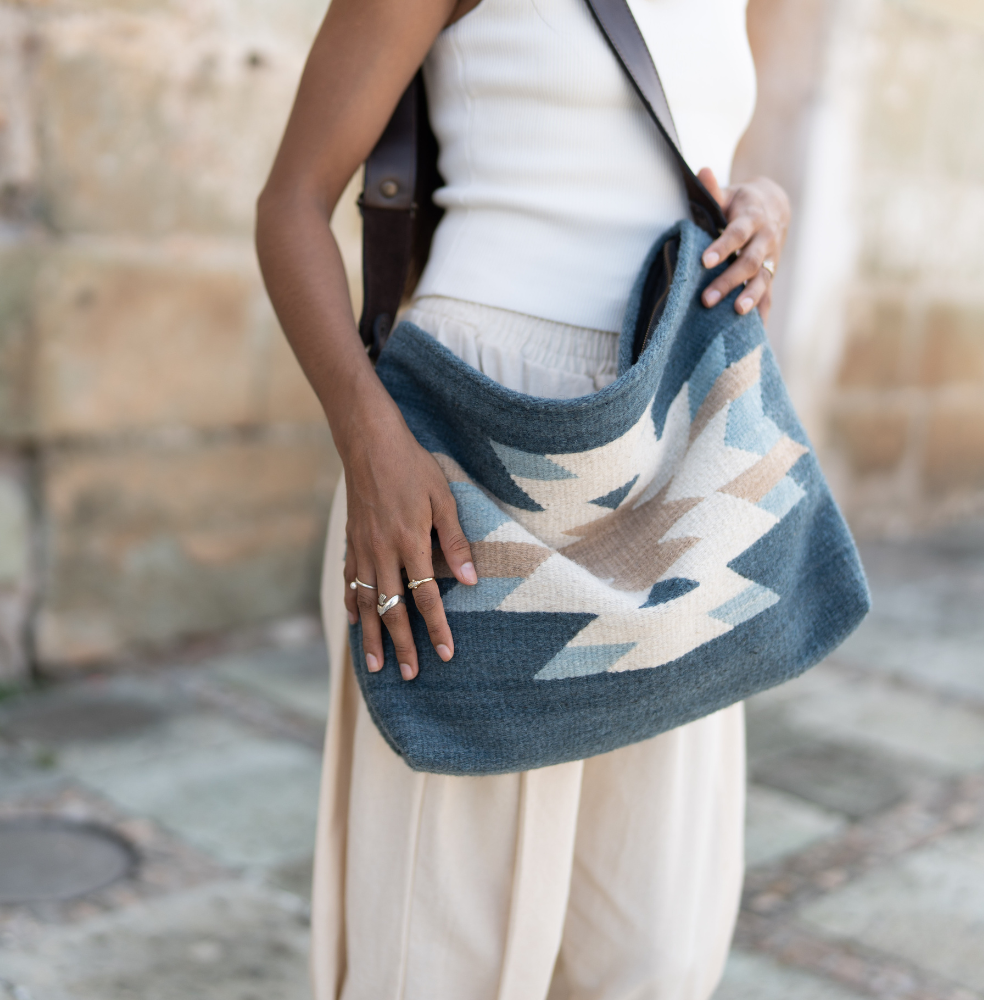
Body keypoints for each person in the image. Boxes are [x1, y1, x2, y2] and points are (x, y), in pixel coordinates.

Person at [256, 0, 791, 996]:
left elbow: (675, 160)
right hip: (473, 443)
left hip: (671, 453)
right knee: (445, 943)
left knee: (650, 946)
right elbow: (290, 203)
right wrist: (370, 443)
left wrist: (758, 206)